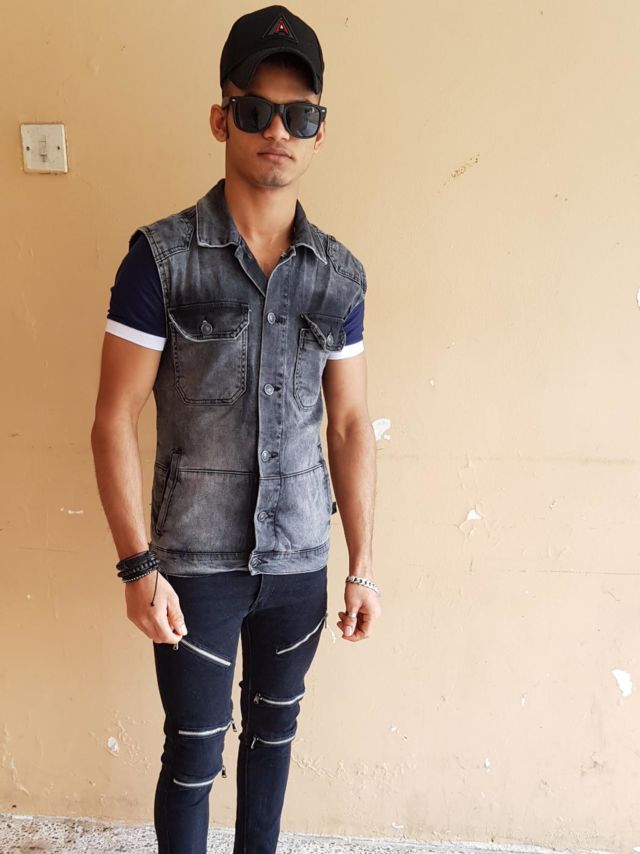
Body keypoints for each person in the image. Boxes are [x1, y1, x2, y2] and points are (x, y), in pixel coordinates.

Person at [90, 5, 381, 853]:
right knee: (192, 753)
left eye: (299, 115)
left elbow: (350, 424)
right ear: (223, 119)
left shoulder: (340, 277)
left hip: (299, 560)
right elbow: (112, 419)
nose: (277, 131)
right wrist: (137, 564)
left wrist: (362, 566)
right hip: (193, 565)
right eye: (256, 110)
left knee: (274, 739)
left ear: (320, 131)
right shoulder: (159, 260)